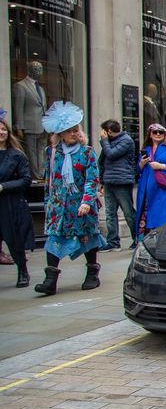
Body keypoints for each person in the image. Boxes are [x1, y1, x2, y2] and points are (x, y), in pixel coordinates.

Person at [34, 102, 106, 295]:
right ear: (61, 134)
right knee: (53, 239)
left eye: (76, 130)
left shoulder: (87, 151)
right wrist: (48, 202)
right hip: (59, 205)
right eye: (69, 131)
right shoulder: (52, 153)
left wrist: (86, 201)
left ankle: (92, 273)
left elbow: (92, 179)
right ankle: (50, 280)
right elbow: (49, 179)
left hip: (81, 203)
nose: (74, 134)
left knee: (88, 237)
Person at [134, 123, 166, 242]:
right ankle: (147, 241)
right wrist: (141, 164)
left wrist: (162, 166)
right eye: (154, 132)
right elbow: (138, 170)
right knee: (146, 215)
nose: (157, 134)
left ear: (164, 134)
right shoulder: (145, 150)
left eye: (160, 132)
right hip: (147, 189)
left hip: (165, 188)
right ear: (150, 134)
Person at [0, 119, 34, 287]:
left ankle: (23, 271)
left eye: (3, 129)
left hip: (10, 204)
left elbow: (26, 180)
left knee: (14, 239)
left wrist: (3, 186)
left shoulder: (16, 155)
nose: (1, 132)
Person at [97, 119, 137, 251]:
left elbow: (111, 154)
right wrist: (101, 180)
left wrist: (104, 141)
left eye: (103, 131)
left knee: (128, 212)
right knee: (110, 213)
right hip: (109, 181)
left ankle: (137, 238)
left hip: (122, 181)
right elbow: (102, 161)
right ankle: (113, 242)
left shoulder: (126, 140)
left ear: (108, 131)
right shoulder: (109, 142)